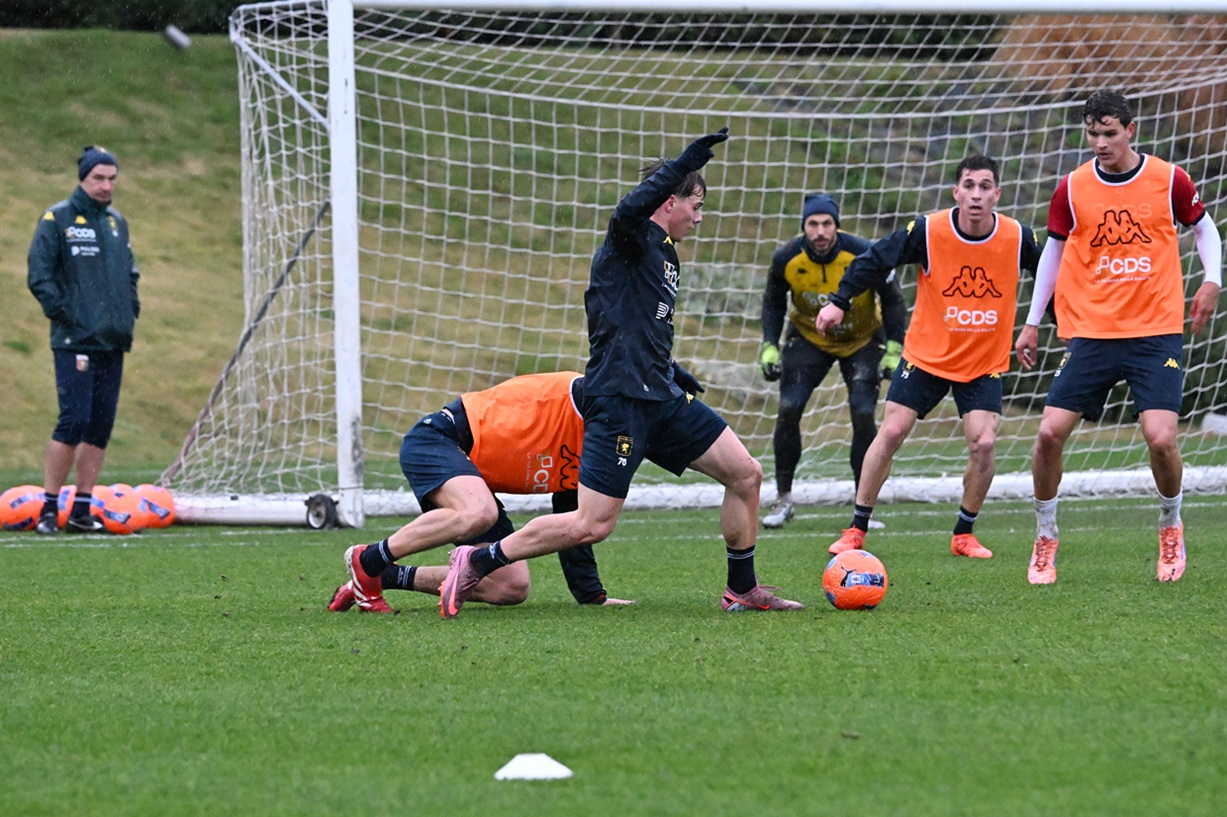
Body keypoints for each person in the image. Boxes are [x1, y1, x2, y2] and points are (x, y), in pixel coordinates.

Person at [436, 128, 804, 619]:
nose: (700, 216)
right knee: (591, 524)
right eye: (695, 205)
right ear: (669, 200)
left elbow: (631, 322)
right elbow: (628, 210)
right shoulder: (629, 237)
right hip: (621, 401)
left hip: (661, 396)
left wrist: (669, 368)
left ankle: (742, 588)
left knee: (746, 474)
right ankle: (479, 560)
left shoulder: (665, 252)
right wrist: (684, 163)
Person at [1015, 90, 1222, 585]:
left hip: (1155, 332)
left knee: (1161, 439)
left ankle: (1170, 525)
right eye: (1093, 133)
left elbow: (1204, 229)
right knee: (1048, 435)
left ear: (1131, 130)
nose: (1100, 142)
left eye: (1109, 133)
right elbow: (1053, 253)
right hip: (1092, 333)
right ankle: (1045, 535)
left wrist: (1212, 280)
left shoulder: (1170, 179)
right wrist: (1033, 320)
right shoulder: (1072, 187)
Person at [816, 155, 1041, 559]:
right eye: (968, 186)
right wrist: (839, 301)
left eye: (984, 187)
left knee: (984, 443)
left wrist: (1037, 325)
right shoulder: (928, 230)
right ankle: (856, 528)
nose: (976, 195)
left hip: (983, 362)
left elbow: (1052, 278)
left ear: (997, 194)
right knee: (892, 432)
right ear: (956, 192)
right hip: (927, 356)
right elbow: (874, 259)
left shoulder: (1018, 237)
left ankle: (964, 534)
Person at [339, 371, 633, 613]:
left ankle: (385, 576)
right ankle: (369, 560)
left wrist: (591, 594)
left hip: (473, 478)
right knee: (479, 512)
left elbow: (574, 519)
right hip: (436, 440)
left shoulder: (597, 443)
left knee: (511, 586)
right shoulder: (565, 397)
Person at [759, 193, 906, 528]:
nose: (821, 231)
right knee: (789, 408)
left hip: (863, 339)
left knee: (864, 413)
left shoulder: (864, 253)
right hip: (809, 337)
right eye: (813, 224)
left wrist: (894, 347)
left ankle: (864, 507)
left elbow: (893, 300)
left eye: (827, 223)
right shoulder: (787, 258)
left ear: (837, 226)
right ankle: (783, 499)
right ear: (804, 227)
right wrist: (769, 345)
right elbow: (773, 302)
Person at [26, 146, 140, 535]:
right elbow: (40, 275)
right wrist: (68, 316)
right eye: (98, 178)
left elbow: (130, 274)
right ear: (83, 178)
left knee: (100, 424)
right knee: (73, 420)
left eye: (112, 178)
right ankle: (48, 508)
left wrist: (129, 312)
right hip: (75, 340)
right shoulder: (56, 219)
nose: (106, 185)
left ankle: (82, 509)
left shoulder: (116, 223)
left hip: (112, 340)